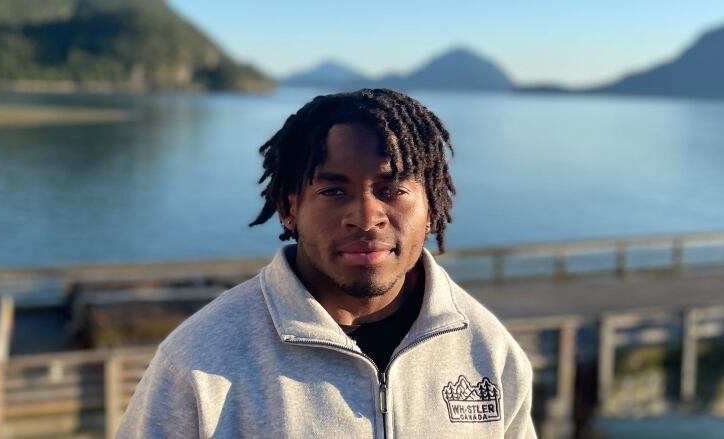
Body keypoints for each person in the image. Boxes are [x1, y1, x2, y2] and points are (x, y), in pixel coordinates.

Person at [117, 89, 536, 438]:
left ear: (431, 209)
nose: (366, 215)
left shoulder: (489, 351)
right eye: (334, 192)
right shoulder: (198, 362)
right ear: (288, 208)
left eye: (392, 189)